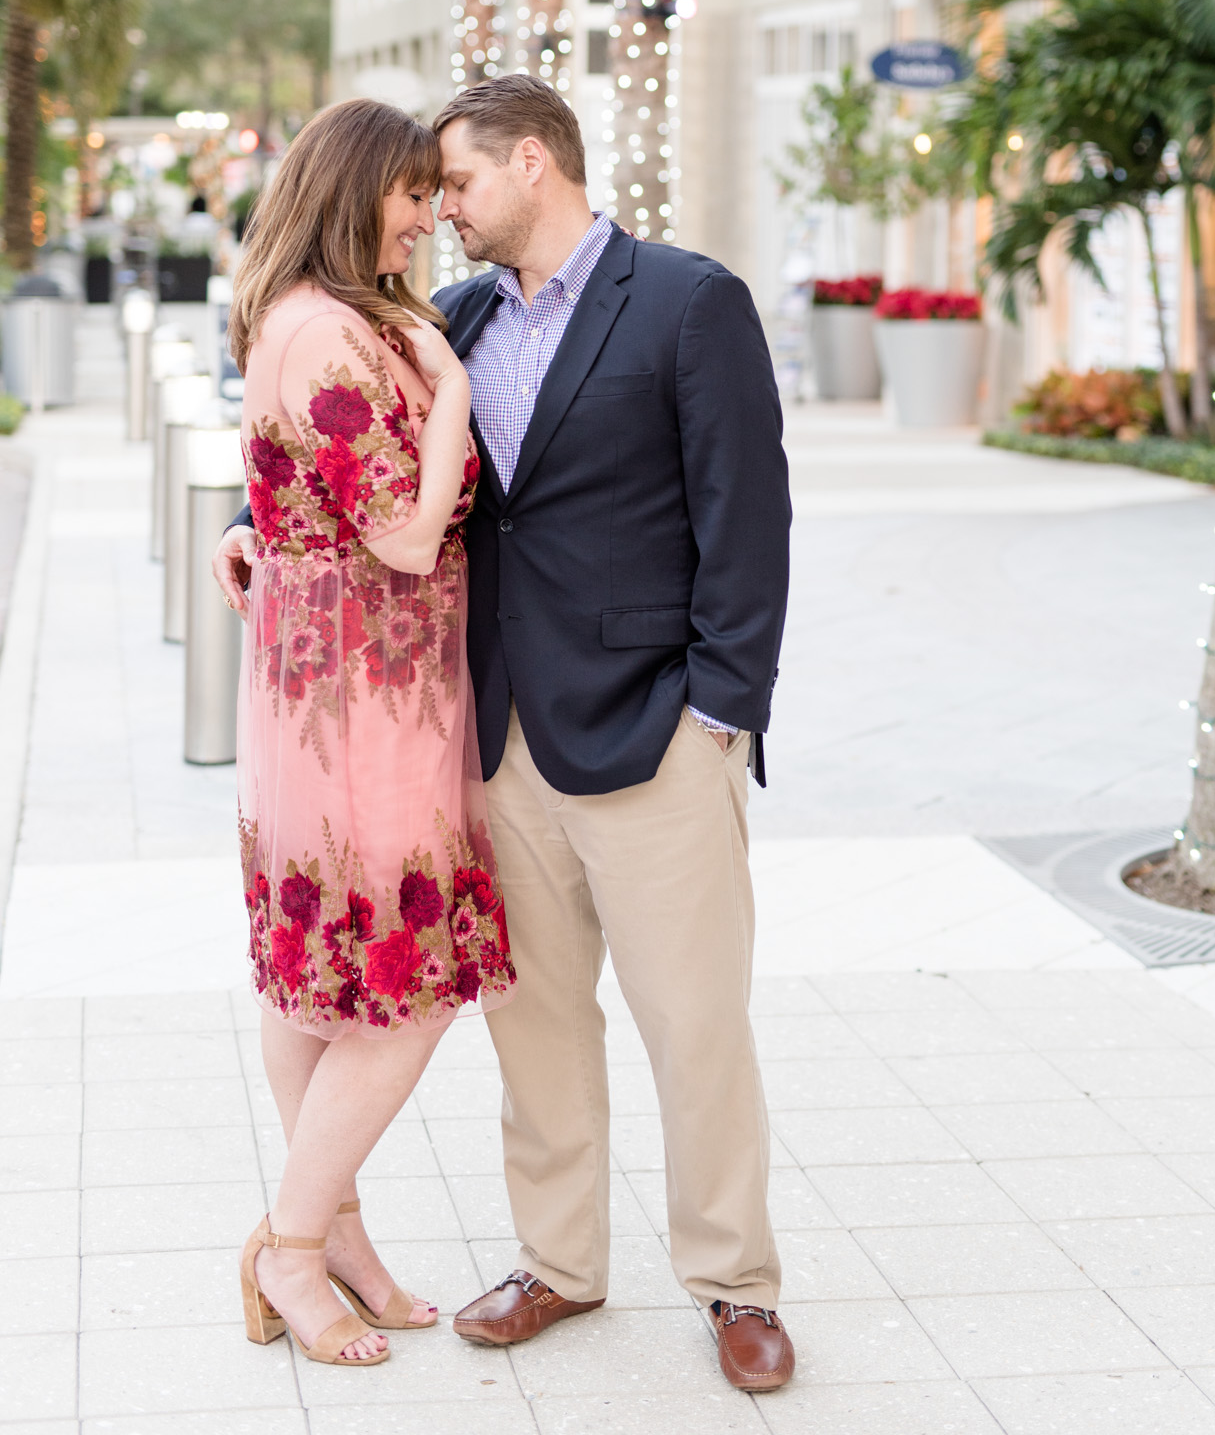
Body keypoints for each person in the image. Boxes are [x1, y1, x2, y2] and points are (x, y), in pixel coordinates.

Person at [216, 77, 794, 1393]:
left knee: (692, 1022)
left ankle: (733, 1284)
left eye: (457, 184)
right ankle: (561, 1263)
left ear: (532, 163)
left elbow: (747, 519)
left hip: (649, 733)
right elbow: (344, 458)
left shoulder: (688, 302)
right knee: (532, 1026)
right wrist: (260, 534)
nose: (442, 213)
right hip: (483, 738)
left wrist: (719, 714)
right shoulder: (451, 316)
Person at [223, 98, 515, 1370]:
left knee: (323, 969)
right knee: (401, 983)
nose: (425, 215)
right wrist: (449, 383)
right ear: (356, 194)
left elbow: (292, 497)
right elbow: (401, 533)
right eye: (408, 192)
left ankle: (334, 1231)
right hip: (360, 697)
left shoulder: (331, 316)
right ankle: (292, 1240)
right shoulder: (332, 329)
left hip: (334, 679)